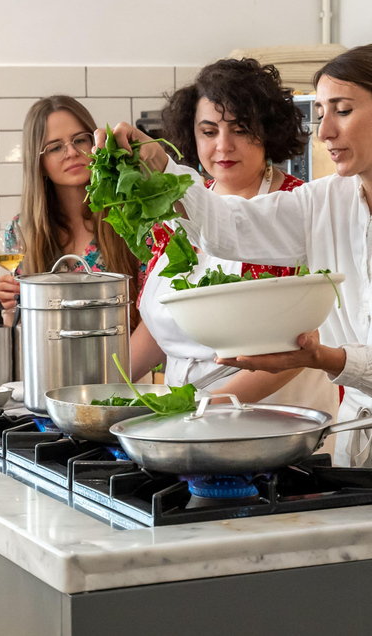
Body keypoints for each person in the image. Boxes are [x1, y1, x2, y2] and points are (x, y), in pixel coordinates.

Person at [98, 44, 372, 468]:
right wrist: (160, 171)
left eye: (343, 110)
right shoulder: (325, 202)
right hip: (357, 445)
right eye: (321, 112)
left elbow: (314, 353)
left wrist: (329, 360)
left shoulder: (302, 195)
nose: (325, 132)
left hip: (276, 427)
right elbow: (226, 227)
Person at [129, 58, 339, 421]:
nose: (223, 146)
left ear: (268, 132)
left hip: (277, 417)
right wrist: (104, 390)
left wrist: (203, 411)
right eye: (209, 132)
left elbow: (307, 341)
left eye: (240, 129)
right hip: (185, 416)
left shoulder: (300, 207)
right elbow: (161, 321)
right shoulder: (177, 207)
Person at [0, 96, 144, 326]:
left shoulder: (133, 216)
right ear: (39, 164)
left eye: (80, 140)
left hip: (130, 359)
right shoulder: (20, 232)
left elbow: (158, 316)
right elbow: (23, 326)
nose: (72, 152)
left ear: (95, 144)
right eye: (55, 147)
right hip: (54, 361)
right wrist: (9, 308)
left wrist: (120, 363)